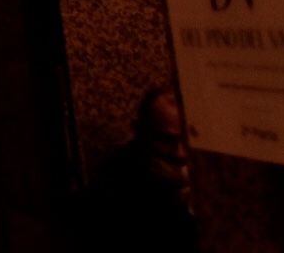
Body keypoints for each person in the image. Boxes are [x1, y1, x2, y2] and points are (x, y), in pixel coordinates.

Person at [77, 86, 201, 252]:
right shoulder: (117, 188)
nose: (180, 153)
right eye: (165, 140)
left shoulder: (202, 175)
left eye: (188, 139)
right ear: (139, 131)